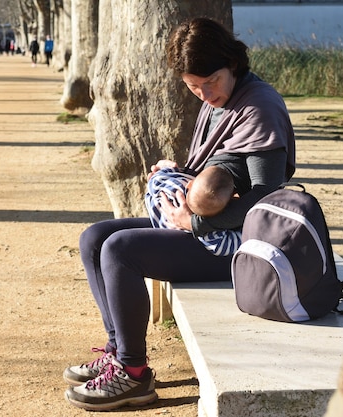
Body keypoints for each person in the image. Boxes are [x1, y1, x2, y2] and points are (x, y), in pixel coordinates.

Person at [63, 17, 295, 411]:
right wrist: (178, 172)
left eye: (212, 81)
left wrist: (196, 221)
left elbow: (264, 198)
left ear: (232, 64)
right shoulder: (221, 101)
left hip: (240, 249)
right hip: (202, 229)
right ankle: (119, 349)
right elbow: (218, 173)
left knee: (119, 250)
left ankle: (133, 374)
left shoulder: (259, 108)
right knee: (94, 238)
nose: (205, 93)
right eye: (193, 86)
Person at [145, 165, 242, 256]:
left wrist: (170, 169)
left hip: (156, 217)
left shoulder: (177, 183)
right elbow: (234, 242)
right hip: (170, 241)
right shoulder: (209, 233)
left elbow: (155, 178)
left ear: (190, 184)